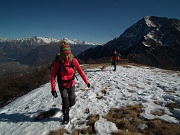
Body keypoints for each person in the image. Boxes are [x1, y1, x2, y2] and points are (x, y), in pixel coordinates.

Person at [50, 40, 90, 124]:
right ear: (61, 54)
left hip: (71, 83)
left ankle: (66, 107)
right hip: (62, 84)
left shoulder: (74, 61)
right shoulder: (58, 63)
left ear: (70, 53)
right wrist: (53, 89)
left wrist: (87, 82)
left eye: (67, 54)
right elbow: (53, 76)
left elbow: (80, 71)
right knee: (65, 101)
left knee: (72, 101)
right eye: (64, 55)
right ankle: (66, 116)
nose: (66, 56)